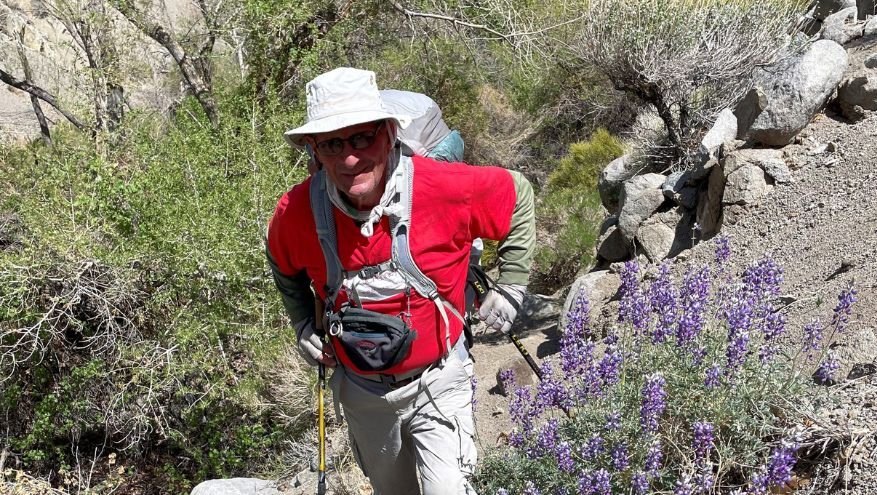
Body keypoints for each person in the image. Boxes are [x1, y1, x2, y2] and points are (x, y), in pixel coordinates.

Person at [266, 67, 535, 495]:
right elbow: (282, 261)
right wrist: (302, 324)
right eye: (334, 143)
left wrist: (512, 285)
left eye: (362, 137)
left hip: (439, 381)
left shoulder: (445, 186)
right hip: (362, 395)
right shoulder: (296, 212)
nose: (351, 157)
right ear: (314, 151)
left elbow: (517, 194)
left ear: (390, 133)